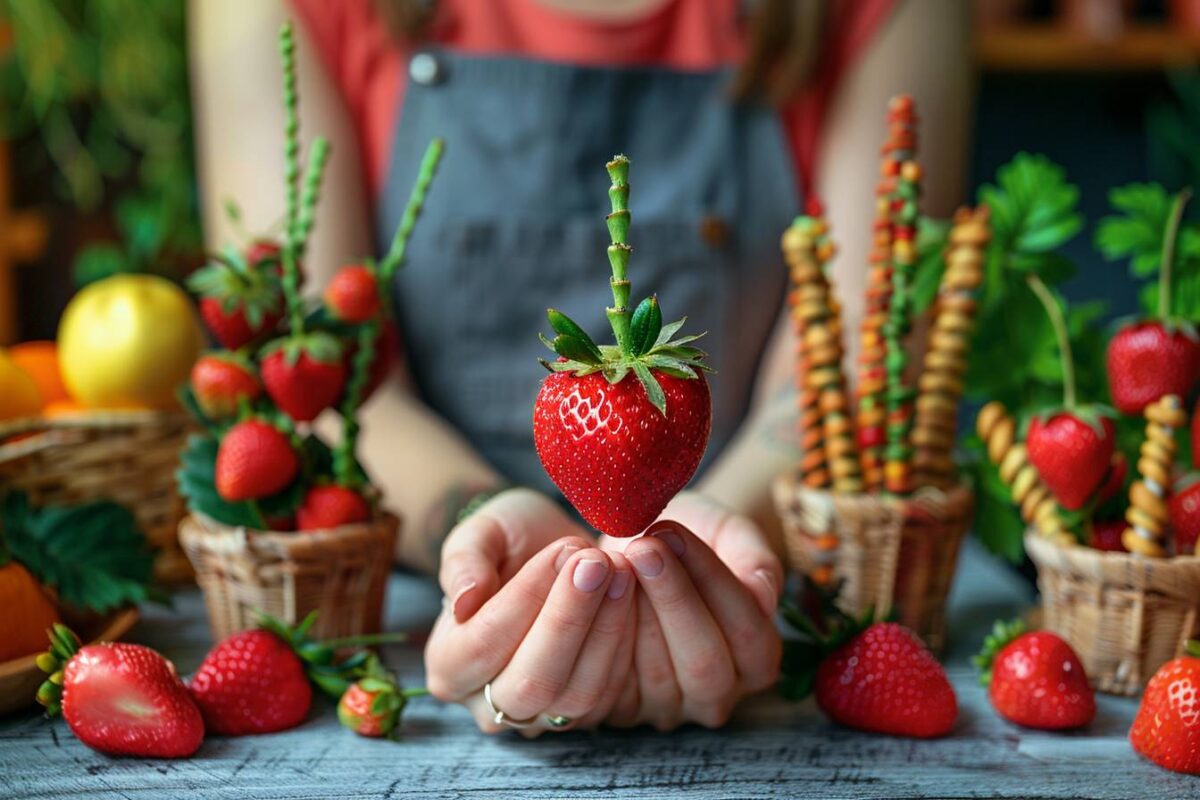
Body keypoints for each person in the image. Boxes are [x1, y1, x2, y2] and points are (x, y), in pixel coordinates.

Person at [191, 0, 969, 734]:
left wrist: (692, 562)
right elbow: (320, 384)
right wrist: (477, 540)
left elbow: (846, 371)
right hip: (413, 600)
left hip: (756, 575)